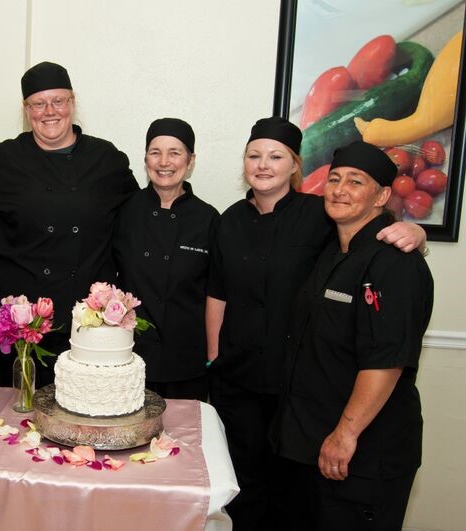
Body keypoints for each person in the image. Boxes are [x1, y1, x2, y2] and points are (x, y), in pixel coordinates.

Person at [205, 117, 426, 531]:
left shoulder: (330, 223)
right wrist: (214, 359)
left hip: (324, 415)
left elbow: (386, 357)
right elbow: (217, 293)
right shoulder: (234, 221)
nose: (341, 191)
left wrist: (414, 230)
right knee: (260, 499)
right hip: (257, 393)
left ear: (295, 166)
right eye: (254, 156)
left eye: (276, 156)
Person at [275, 141, 433, 530]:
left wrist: (345, 435)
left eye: (355, 182)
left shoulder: (394, 261)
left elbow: (387, 361)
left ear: (381, 195)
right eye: (334, 179)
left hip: (363, 452)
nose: (340, 190)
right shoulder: (333, 251)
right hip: (315, 443)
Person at [0, 61, 138, 387]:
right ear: (26, 109)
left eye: (58, 101)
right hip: (17, 319)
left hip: (86, 321)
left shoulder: (107, 160)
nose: (49, 111)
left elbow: (133, 224)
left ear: (72, 102)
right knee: (13, 418)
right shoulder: (1, 160)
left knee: (82, 415)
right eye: (38, 103)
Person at [114, 118, 218, 400]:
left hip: (187, 360)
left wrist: (213, 354)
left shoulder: (209, 219)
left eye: (175, 152)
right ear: (145, 157)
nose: (164, 161)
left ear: (190, 160)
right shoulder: (124, 212)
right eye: (155, 152)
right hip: (129, 357)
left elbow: (217, 293)